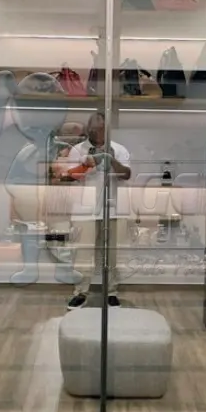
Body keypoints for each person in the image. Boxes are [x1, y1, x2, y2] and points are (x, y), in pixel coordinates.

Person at [59, 112, 131, 309]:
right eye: (93, 129)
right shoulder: (77, 150)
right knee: (82, 254)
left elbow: (126, 174)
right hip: (84, 210)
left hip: (113, 209)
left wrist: (109, 159)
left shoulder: (119, 149)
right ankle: (80, 293)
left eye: (101, 129)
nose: (97, 133)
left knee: (113, 255)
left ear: (107, 130)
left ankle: (112, 292)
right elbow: (68, 176)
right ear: (88, 130)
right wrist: (86, 164)